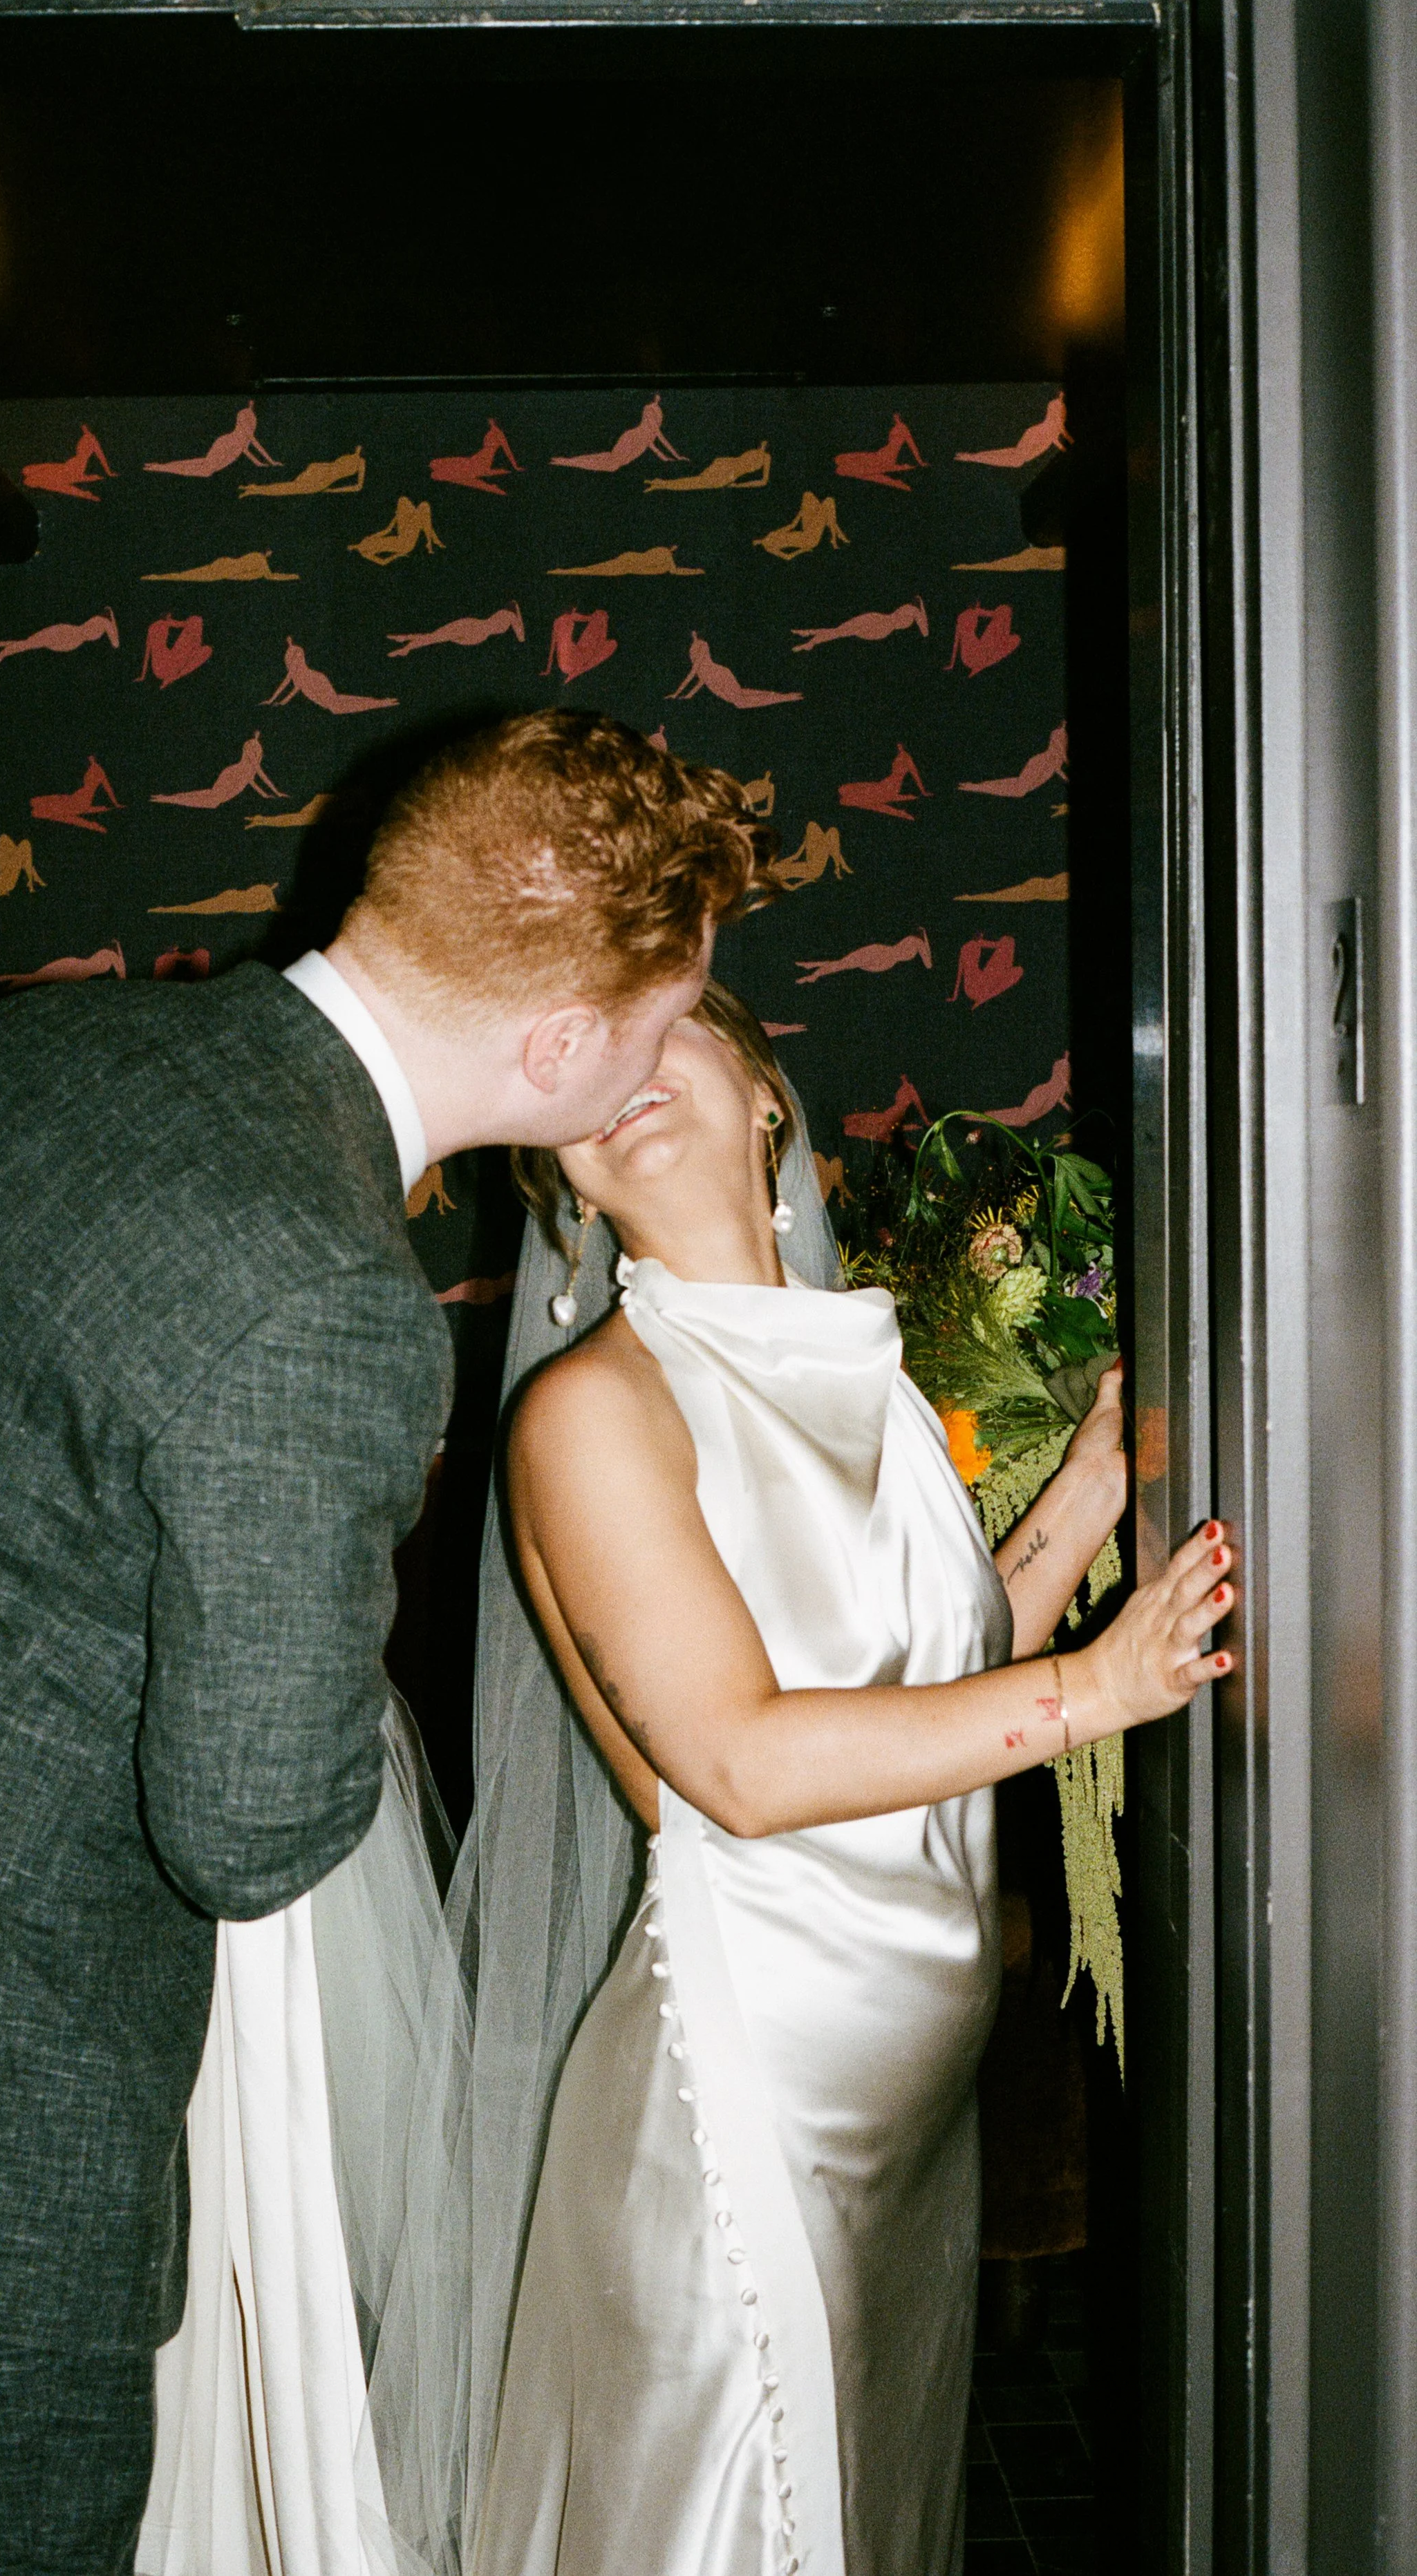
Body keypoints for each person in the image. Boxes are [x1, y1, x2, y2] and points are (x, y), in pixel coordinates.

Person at [0, 712, 762, 2576]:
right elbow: (246, 1823)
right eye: (668, 1014)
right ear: (563, 1047)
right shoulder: (330, 1300)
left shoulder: (20, 1044)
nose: (670, 1055)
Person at [459, 983, 1232, 2576]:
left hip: (903, 2118)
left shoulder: (864, 1365)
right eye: (578, 1057)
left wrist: (1091, 1488)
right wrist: (1092, 1690)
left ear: (765, 1099)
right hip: (744, 2115)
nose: (621, 1066)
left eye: (659, 1019)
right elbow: (738, 1762)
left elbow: (921, 1673)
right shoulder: (591, 1412)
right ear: (566, 1182)